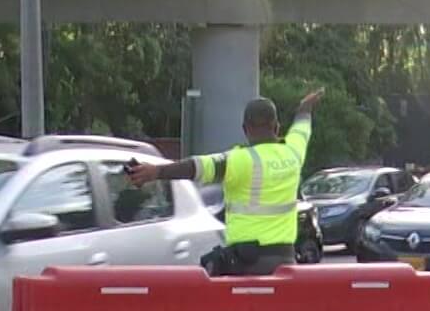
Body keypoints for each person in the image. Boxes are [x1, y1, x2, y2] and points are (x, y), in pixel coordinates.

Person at [126, 89, 324, 274]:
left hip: (246, 265)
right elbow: (301, 129)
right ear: (277, 126)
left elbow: (196, 167)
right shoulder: (293, 153)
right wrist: (305, 107)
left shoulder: (240, 160)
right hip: (284, 260)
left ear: (245, 129)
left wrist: (156, 171)